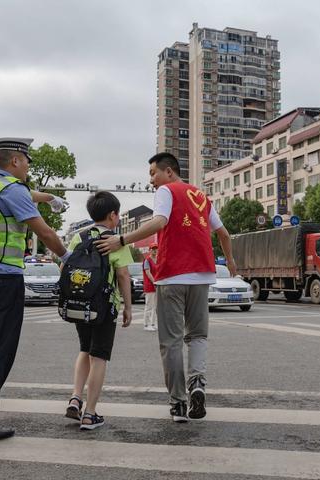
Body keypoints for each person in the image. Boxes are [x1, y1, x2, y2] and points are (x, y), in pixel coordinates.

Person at [96, 152, 236, 422]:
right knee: (198, 336)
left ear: (168, 171)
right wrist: (230, 261)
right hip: (202, 276)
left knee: (171, 342)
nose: (151, 180)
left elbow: (159, 222)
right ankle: (198, 383)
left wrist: (121, 239)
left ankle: (179, 403)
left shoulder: (166, 191)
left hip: (172, 276)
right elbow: (224, 233)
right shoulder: (201, 196)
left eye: (153, 173)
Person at [0, 137, 72, 444]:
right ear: (15, 162)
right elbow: (44, 232)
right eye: (26, 161)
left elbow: (23, 195)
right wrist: (68, 258)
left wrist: (47, 197)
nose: (28, 167)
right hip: (2, 277)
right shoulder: (13, 190)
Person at [65, 191, 133, 430]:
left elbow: (65, 265)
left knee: (85, 349)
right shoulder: (115, 240)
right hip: (105, 306)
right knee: (99, 356)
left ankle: (75, 397)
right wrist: (127, 307)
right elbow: (123, 275)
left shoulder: (78, 236)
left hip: (80, 304)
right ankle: (90, 414)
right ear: (113, 215)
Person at [142, 242, 158, 331]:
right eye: (153, 249)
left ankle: (153, 323)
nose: (155, 250)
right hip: (150, 286)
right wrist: (155, 282)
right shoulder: (147, 260)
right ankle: (146, 324)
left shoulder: (158, 259)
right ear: (149, 250)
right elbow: (148, 273)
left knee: (155, 306)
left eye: (156, 249)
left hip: (157, 286)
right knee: (149, 306)